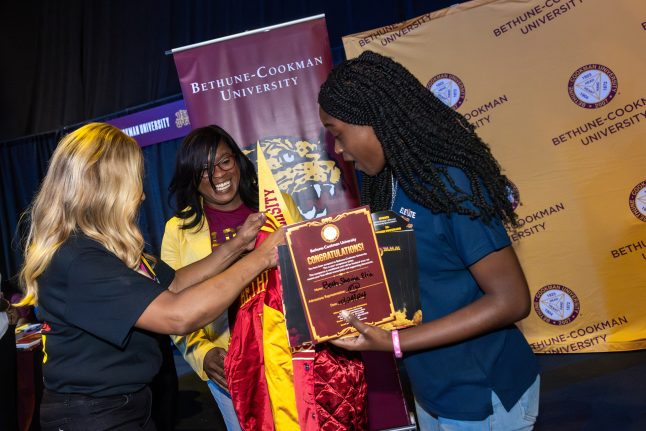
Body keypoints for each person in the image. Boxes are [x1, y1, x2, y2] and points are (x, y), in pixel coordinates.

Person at [318, 51, 540, 430]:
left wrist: (395, 343)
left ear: (374, 120)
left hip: (482, 396)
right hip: (432, 391)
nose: (338, 149)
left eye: (338, 133)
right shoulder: (384, 183)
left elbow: (512, 300)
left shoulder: (450, 183)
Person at [18, 122, 284, 431]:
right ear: (104, 188)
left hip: (129, 405)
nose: (143, 195)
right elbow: (177, 315)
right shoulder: (79, 258)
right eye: (133, 183)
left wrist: (239, 244)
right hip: (91, 416)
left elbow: (177, 283)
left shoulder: (105, 247)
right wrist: (261, 259)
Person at [161, 125, 300, 430]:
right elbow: (170, 306)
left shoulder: (277, 205)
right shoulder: (178, 230)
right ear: (191, 177)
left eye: (225, 161)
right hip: (232, 367)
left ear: (238, 161)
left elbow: (307, 274)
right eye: (203, 169)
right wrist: (203, 353)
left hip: (292, 357)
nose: (218, 175)